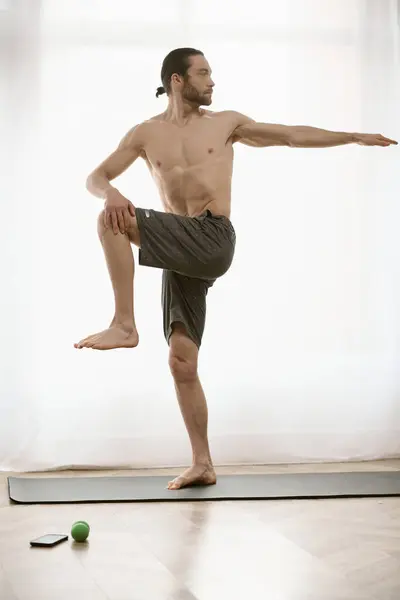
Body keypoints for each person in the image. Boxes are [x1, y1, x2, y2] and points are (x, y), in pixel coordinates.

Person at [74, 47, 397, 490]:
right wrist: (109, 191)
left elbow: (290, 135)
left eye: (211, 73)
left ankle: (124, 324)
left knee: (111, 224)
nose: (212, 81)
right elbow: (95, 177)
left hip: (211, 238)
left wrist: (353, 136)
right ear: (176, 81)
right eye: (203, 73)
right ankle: (203, 463)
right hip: (179, 247)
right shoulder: (145, 134)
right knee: (182, 360)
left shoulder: (226, 124)